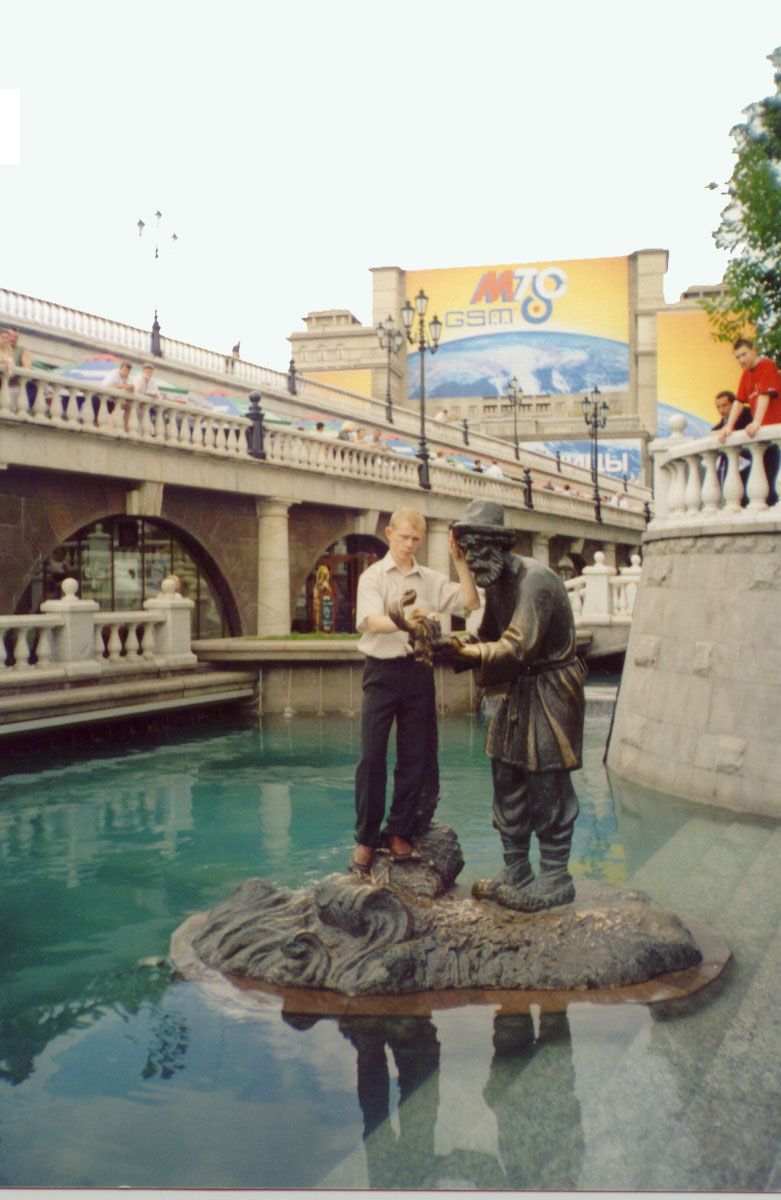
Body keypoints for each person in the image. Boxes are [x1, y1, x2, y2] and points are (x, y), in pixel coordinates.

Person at [445, 499, 587, 912]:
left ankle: (556, 876)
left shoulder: (534, 580)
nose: (470, 558)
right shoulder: (496, 583)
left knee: (546, 780)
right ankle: (517, 869)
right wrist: (448, 646)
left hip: (551, 688)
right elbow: (488, 637)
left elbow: (516, 646)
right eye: (465, 549)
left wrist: (472, 653)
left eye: (476, 548)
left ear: (497, 545)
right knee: (506, 773)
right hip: (520, 688)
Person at [351, 507, 480, 873]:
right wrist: (404, 621)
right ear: (389, 533)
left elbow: (470, 603)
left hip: (419, 671)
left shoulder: (430, 579)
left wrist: (461, 565)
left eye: (416, 539)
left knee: (414, 755)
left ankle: (399, 831)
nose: (409, 544)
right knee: (372, 756)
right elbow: (370, 621)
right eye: (404, 537)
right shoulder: (373, 577)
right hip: (381, 671)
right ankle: (366, 838)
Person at [716, 338, 781, 504]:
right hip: (761, 438)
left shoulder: (766, 365)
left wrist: (756, 422)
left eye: (744, 354)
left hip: (774, 433)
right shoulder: (746, 374)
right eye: (737, 357)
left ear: (754, 351)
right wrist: (728, 427)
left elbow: (765, 395)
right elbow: (739, 402)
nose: (741, 360)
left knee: (772, 483)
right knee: (759, 484)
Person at [712, 388, 751, 491]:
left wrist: (724, 430)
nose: (721, 410)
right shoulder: (725, 420)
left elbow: (732, 430)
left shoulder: (745, 412)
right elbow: (712, 432)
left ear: (734, 404)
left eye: (724, 405)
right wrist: (722, 430)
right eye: (718, 407)